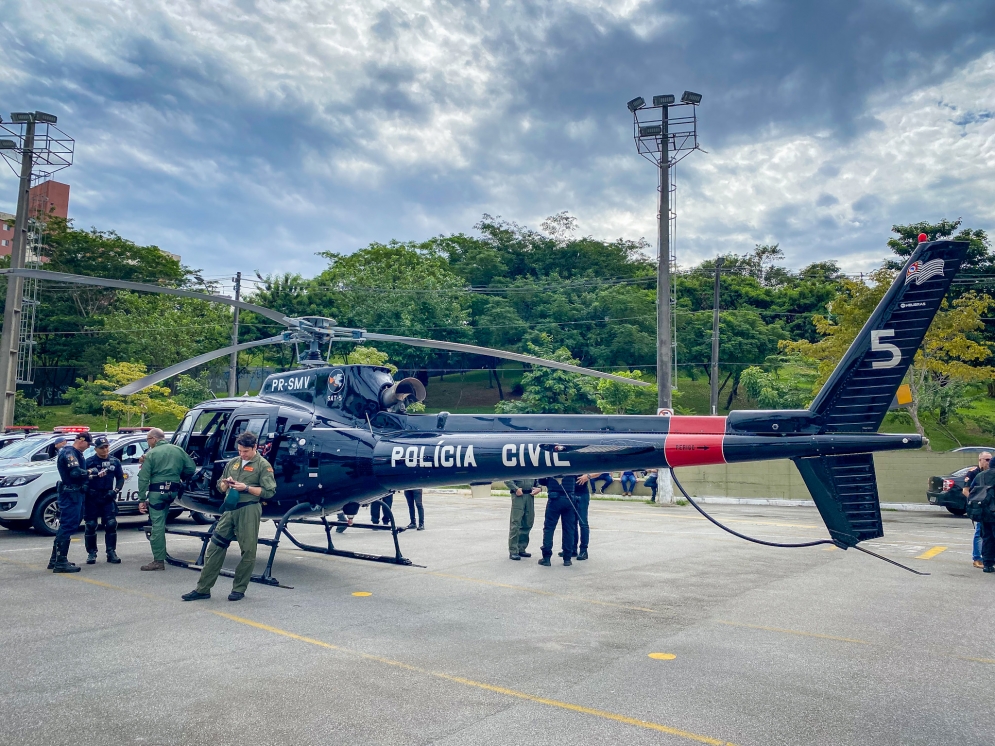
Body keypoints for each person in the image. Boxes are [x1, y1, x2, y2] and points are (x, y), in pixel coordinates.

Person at [182, 431, 277, 602]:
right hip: (229, 510)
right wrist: (225, 484)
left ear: (255, 447)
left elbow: (269, 492)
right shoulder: (233, 463)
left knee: (248, 551)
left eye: (246, 451)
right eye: (240, 450)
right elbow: (220, 485)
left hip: (249, 509)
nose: (242, 454)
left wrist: (246, 488)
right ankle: (203, 589)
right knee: (215, 547)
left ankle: (239, 588)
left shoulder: (263, 465)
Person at [137, 428, 196, 571]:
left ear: (154, 439)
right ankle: (160, 554)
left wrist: (141, 499)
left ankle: (158, 560)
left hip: (157, 493)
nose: (147, 442)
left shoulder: (151, 454)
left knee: (157, 525)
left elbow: (143, 478)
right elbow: (191, 468)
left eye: (148, 440)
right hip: (173, 492)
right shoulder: (178, 450)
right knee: (162, 519)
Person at [49, 432, 93, 573]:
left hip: (75, 492)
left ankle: (55, 559)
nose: (88, 447)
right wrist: (89, 472)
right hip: (70, 493)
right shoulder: (69, 453)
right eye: (88, 444)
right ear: (81, 440)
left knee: (69, 524)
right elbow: (74, 473)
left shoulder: (76, 453)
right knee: (67, 525)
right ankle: (60, 562)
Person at [83, 435, 125, 565]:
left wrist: (115, 491)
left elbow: (120, 478)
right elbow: (83, 479)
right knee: (90, 525)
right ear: (96, 449)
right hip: (92, 498)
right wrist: (87, 490)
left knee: (111, 524)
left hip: (108, 496)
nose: (105, 450)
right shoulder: (88, 462)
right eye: (101, 448)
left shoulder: (114, 461)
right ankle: (91, 553)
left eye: (106, 447)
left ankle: (111, 552)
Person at [538, 475, 577, 567]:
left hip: (554, 498)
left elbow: (542, 480)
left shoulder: (553, 464)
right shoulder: (571, 465)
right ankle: (567, 558)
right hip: (569, 498)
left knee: (549, 528)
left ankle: (546, 557)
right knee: (569, 530)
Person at [963, 451, 991, 569]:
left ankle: (987, 557)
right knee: (979, 532)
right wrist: (975, 503)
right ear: (980, 460)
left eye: (990, 459)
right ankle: (977, 558)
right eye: (986, 459)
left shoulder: (989, 473)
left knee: (987, 533)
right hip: (979, 507)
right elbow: (965, 490)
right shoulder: (974, 472)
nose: (989, 462)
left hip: (988, 507)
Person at [505, 477, 539, 560]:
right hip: (518, 496)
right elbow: (507, 479)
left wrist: (539, 488)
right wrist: (515, 488)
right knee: (516, 523)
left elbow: (538, 479)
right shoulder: (516, 466)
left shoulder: (531, 468)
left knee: (528, 521)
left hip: (529, 496)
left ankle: (521, 548)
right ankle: (513, 550)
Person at [566, 474, 591, 561]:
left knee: (583, 522)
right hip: (571, 491)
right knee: (572, 522)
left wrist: (588, 476)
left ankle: (584, 550)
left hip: (582, 493)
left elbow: (600, 471)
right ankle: (572, 549)